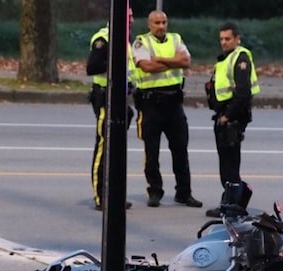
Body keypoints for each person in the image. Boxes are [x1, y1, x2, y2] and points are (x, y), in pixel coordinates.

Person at [131, 10, 202, 208]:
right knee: (151, 151)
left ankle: (184, 192)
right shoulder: (140, 42)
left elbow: (186, 62)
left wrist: (160, 60)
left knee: (180, 149)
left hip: (174, 103)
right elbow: (147, 67)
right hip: (150, 103)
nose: (161, 26)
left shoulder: (176, 39)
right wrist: (173, 61)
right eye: (157, 23)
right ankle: (155, 191)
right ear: (149, 25)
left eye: (163, 22)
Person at [204, 22, 260, 218]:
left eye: (228, 39)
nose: (224, 42)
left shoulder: (240, 58)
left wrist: (228, 116)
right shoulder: (226, 58)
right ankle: (231, 202)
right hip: (224, 114)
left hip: (232, 117)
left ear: (237, 39)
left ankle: (232, 206)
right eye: (221, 39)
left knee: (230, 163)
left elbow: (243, 93)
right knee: (227, 162)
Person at [86, 8, 136, 211]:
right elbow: (92, 67)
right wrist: (115, 61)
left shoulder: (124, 38)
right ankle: (101, 197)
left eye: (132, 15)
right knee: (104, 148)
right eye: (128, 15)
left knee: (116, 150)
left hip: (121, 99)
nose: (131, 18)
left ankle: (114, 196)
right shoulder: (104, 39)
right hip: (106, 98)